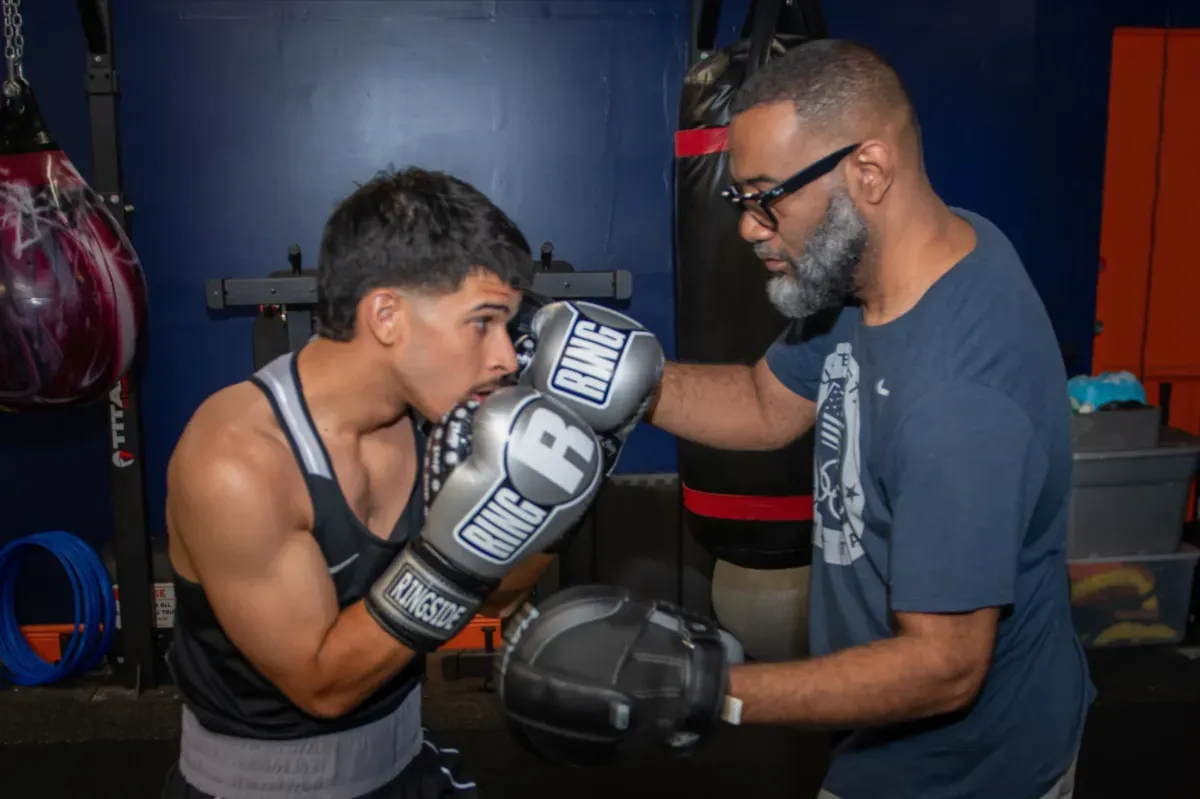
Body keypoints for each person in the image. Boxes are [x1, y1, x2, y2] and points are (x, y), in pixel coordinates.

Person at [498, 39, 1093, 799]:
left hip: (967, 773)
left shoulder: (959, 399)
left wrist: (709, 688)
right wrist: (618, 380)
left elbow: (945, 666)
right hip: (890, 749)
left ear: (868, 172)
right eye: (738, 199)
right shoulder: (883, 274)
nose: (749, 227)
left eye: (765, 195)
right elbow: (764, 403)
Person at [160, 167, 603, 799]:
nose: (505, 355)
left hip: (403, 761)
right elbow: (323, 685)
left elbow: (496, 595)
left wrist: (565, 494)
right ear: (387, 315)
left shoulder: (439, 418)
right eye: (482, 322)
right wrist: (450, 559)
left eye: (508, 325)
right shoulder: (239, 461)